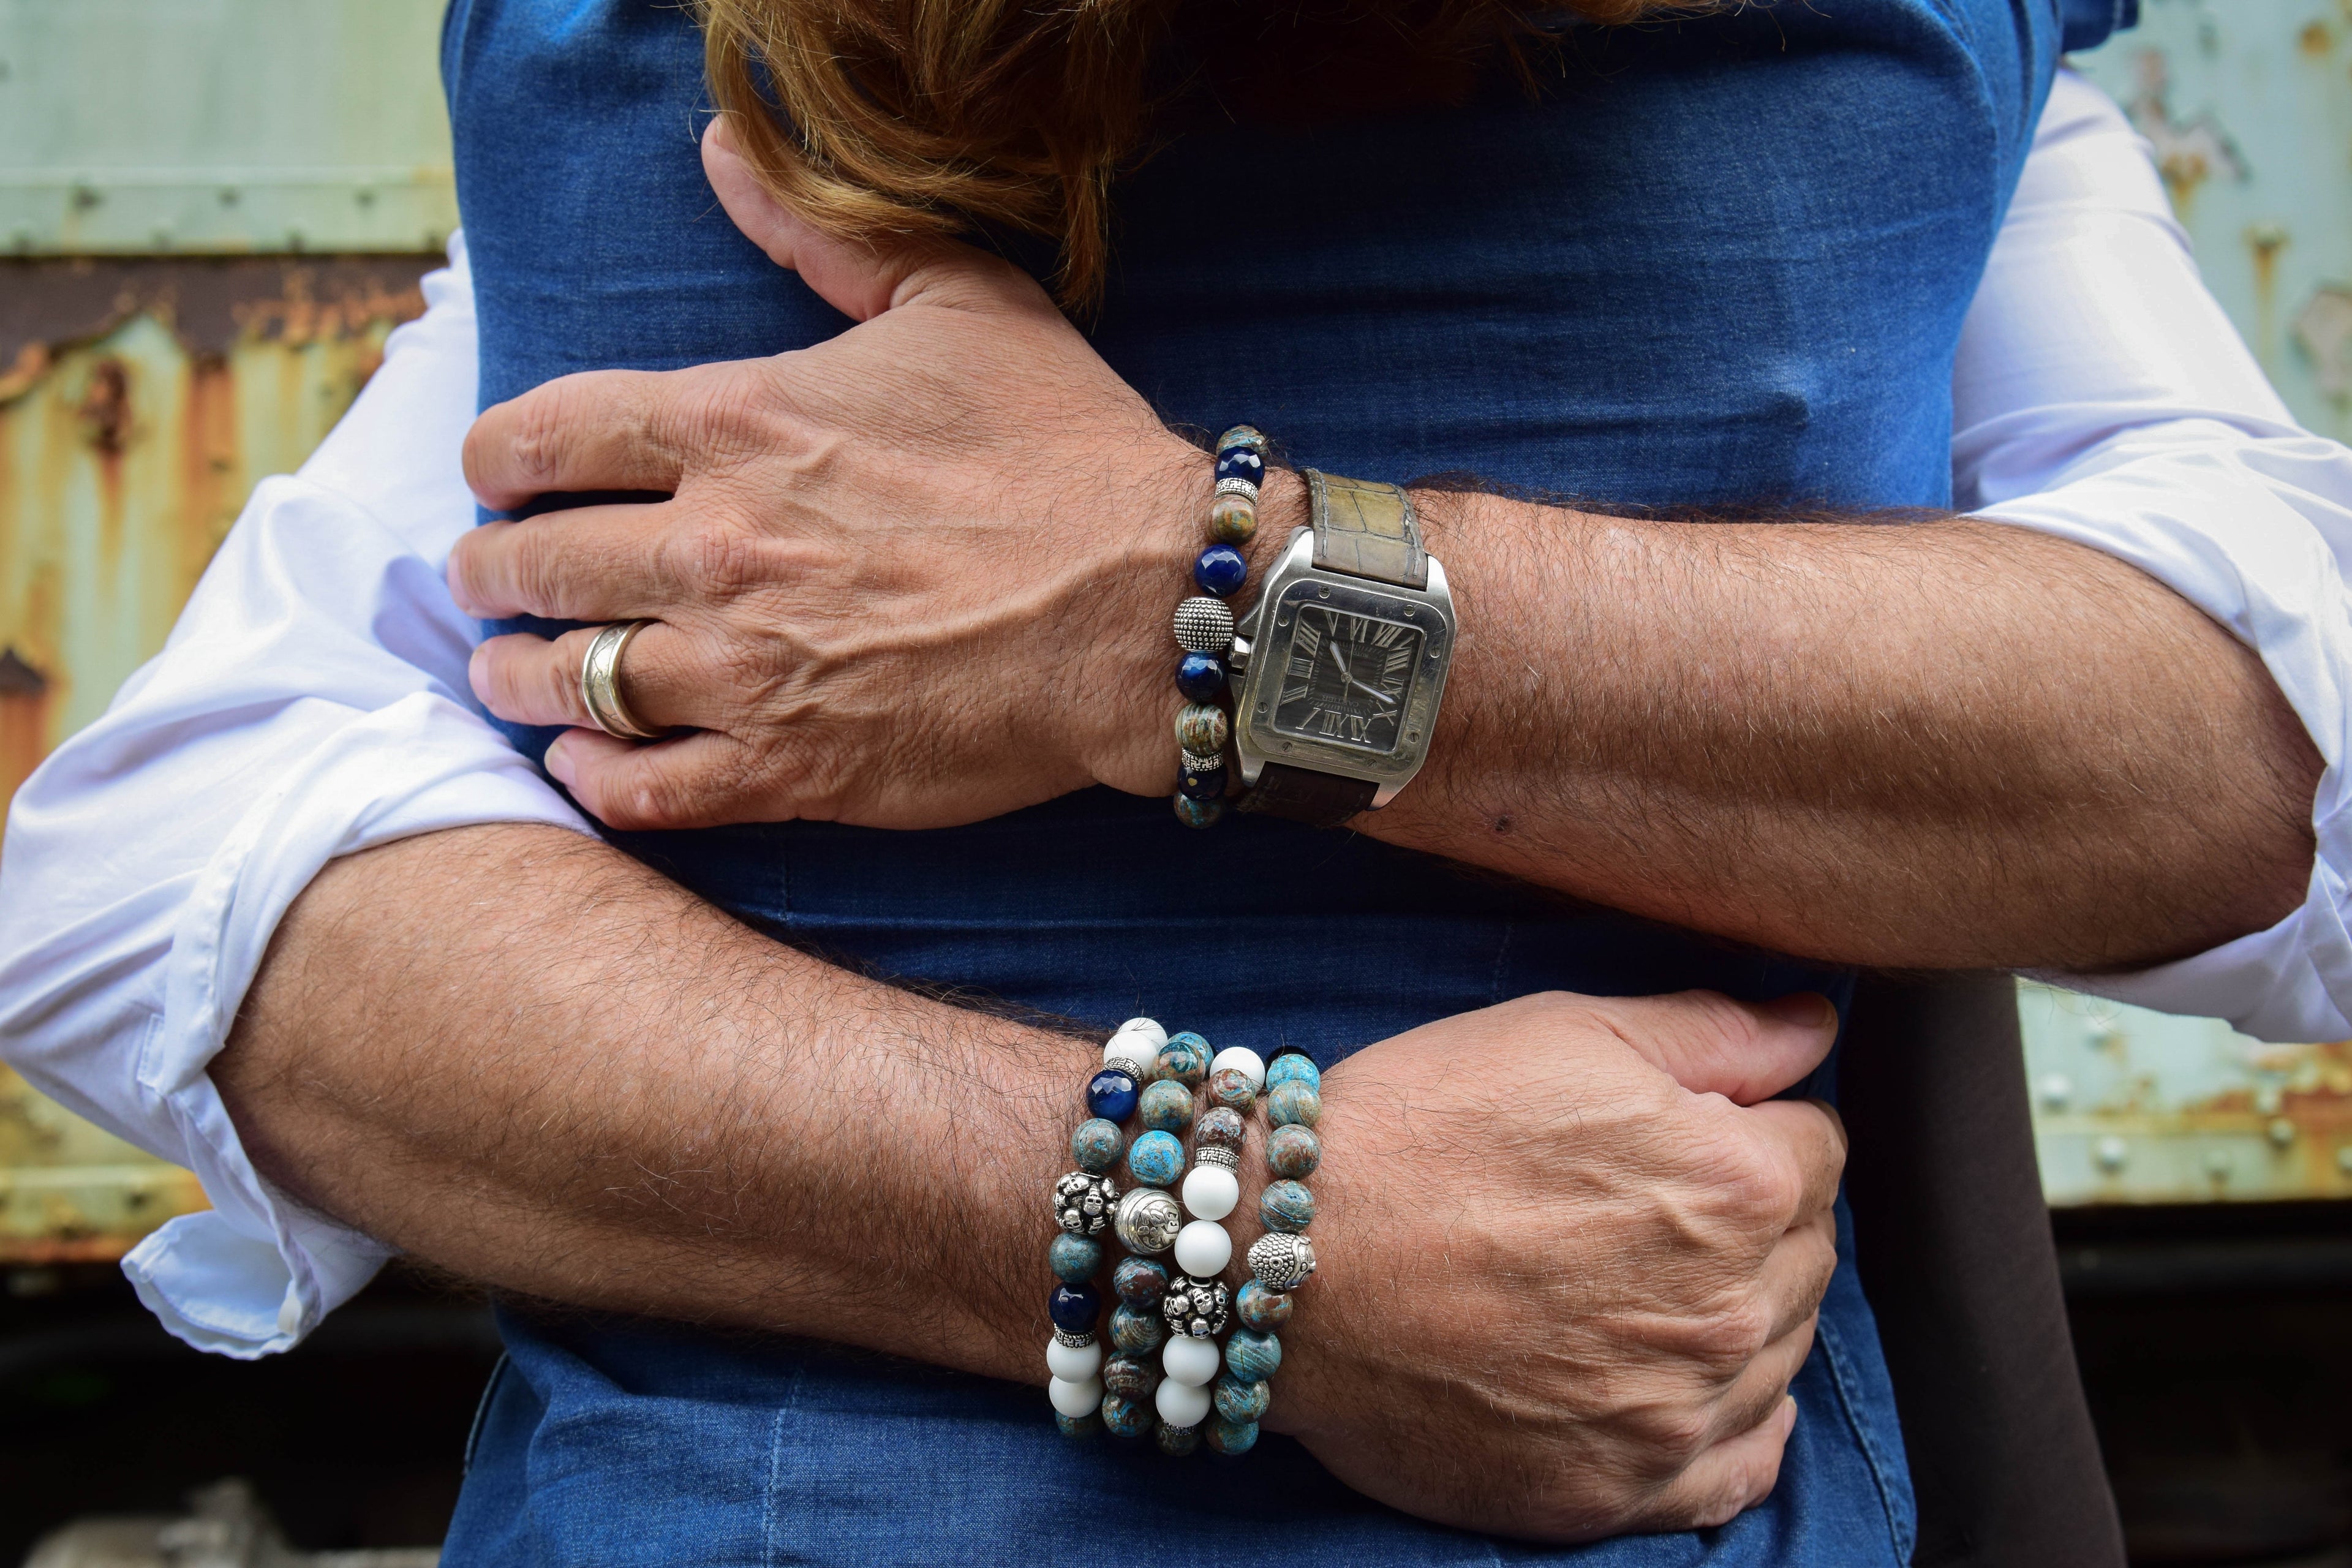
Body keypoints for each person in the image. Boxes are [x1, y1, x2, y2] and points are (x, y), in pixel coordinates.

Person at [6, 0, 2351, 1562]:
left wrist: (1185, 606)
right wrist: (1259, 1241)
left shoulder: (633, 71)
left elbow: (2267, 756)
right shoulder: (1899, 62)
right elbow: (160, 877)